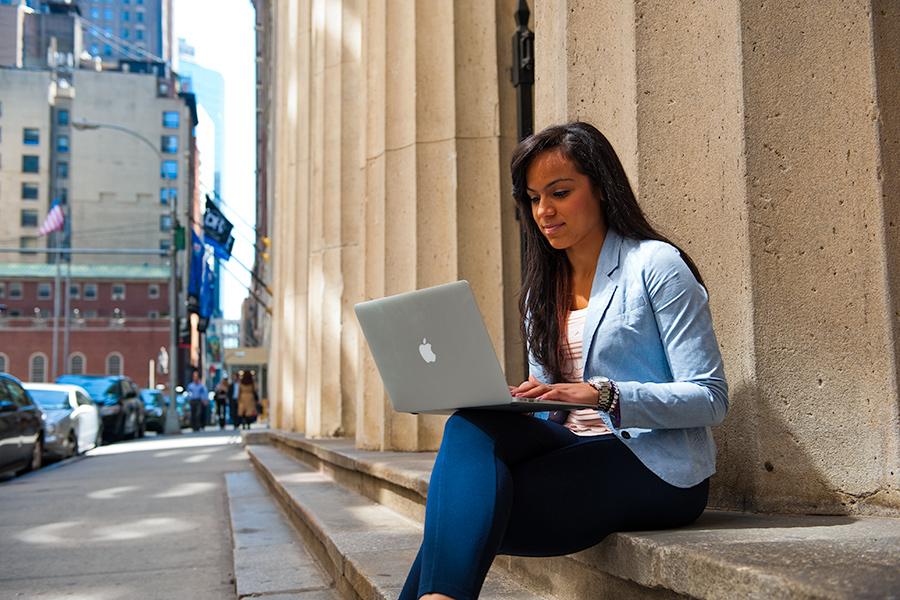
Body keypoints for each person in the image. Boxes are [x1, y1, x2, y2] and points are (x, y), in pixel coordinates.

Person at [399, 122, 729, 600]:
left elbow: (710, 398)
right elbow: (550, 396)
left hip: (653, 466)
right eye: (533, 198)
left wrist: (603, 393)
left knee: (460, 515)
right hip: (571, 450)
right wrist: (521, 398)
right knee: (469, 425)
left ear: (600, 187)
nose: (544, 211)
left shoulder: (654, 264)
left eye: (559, 192)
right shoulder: (542, 292)